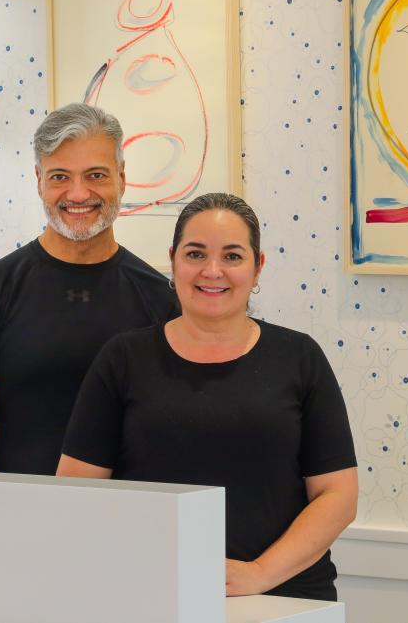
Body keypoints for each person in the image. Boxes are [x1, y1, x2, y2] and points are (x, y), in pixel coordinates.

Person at [57, 193, 358, 601]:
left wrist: (258, 574)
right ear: (173, 260)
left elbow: (338, 496)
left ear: (258, 267)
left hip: (283, 598)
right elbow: (77, 493)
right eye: (195, 253)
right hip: (152, 594)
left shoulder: (300, 358)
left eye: (232, 256)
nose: (212, 271)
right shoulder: (123, 359)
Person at [0, 103, 176, 475]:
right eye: (59, 177)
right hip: (22, 521)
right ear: (38, 180)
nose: (78, 194)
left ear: (122, 177)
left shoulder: (162, 298)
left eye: (96, 175)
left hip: (136, 522)